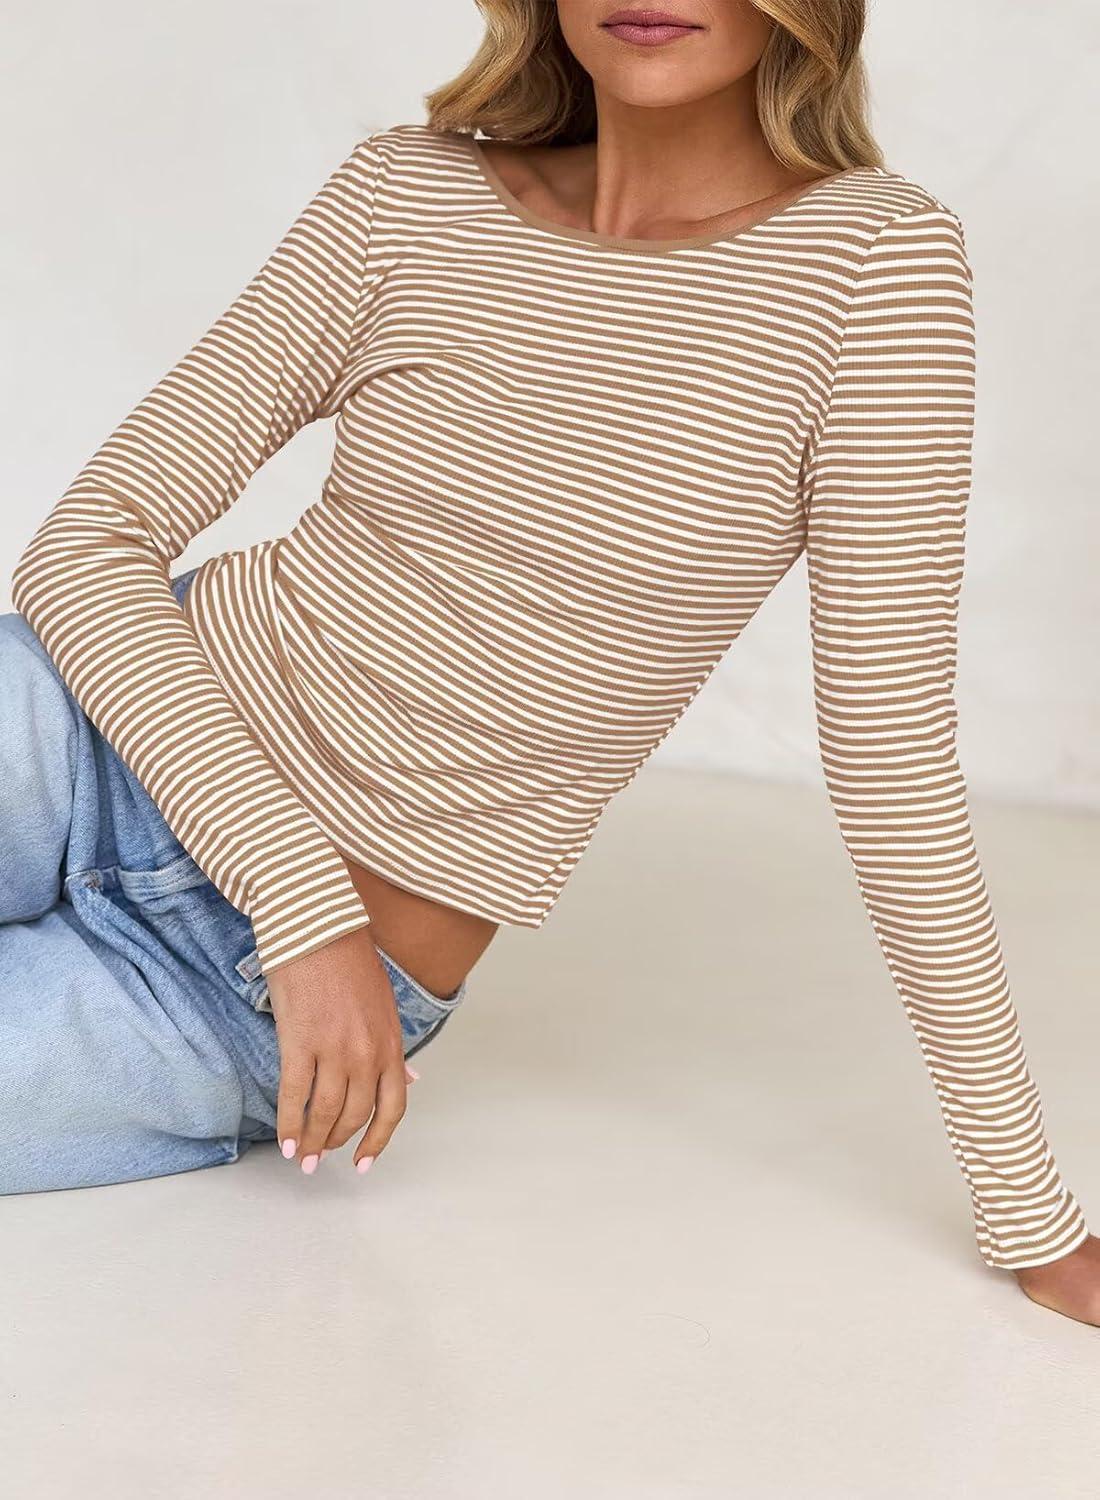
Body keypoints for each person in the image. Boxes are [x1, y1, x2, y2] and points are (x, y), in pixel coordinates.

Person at [5, 0, 1097, 1323]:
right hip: (78, 738)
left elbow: (891, 762)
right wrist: (302, 903)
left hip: (217, 991)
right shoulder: (407, 192)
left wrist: (1034, 1217)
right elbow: (86, 547)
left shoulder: (874, 269)